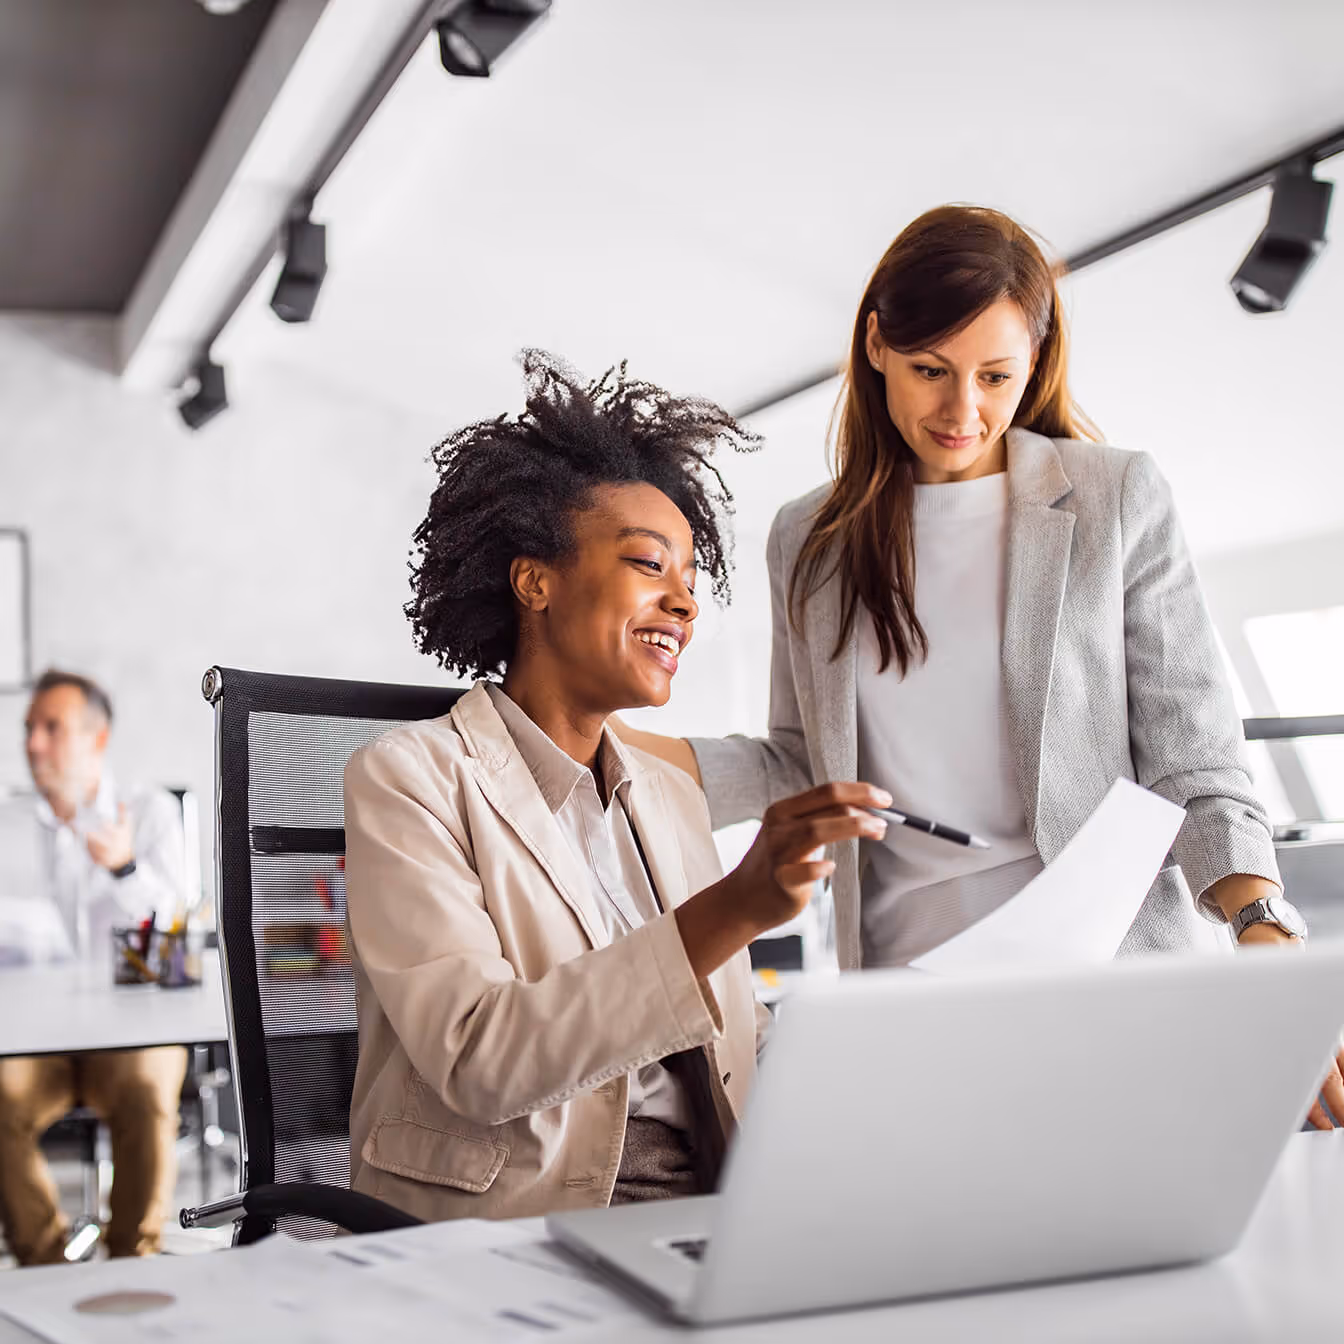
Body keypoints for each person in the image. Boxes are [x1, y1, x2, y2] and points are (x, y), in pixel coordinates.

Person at [617, 205, 1344, 1130]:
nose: (963, 411)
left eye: (996, 376)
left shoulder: (1115, 498)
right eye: (931, 372)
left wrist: (1262, 931)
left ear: (1035, 361)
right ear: (877, 345)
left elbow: (1194, 759)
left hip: (1113, 984)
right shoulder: (810, 539)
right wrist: (612, 750)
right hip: (913, 997)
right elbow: (803, 763)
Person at [343, 352, 886, 1222]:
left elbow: (730, 1034)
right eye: (649, 565)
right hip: (526, 1218)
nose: (685, 604)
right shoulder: (409, 781)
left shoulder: (667, 793)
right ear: (535, 582)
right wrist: (737, 907)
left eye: (690, 581)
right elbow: (482, 1058)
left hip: (709, 1199)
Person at [0, 671, 189, 1263]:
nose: (32, 743)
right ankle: (43, 1264)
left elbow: (175, 934)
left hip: (132, 1033)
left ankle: (133, 1257)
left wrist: (125, 868)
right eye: (30, 728)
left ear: (97, 738)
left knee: (147, 1087)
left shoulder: (151, 812)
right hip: (34, 1042)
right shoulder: (9, 828)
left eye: (50, 728)